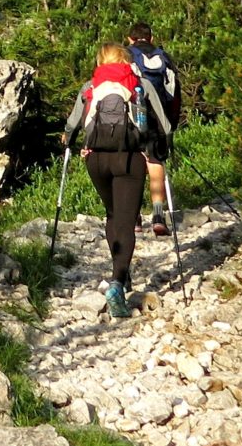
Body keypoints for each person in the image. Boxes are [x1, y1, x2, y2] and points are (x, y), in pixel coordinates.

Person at [60, 42, 159, 317]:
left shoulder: (89, 87)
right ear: (126, 60)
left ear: (100, 61)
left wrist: (68, 140)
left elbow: (72, 125)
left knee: (113, 214)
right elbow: (162, 123)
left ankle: (122, 275)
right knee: (127, 220)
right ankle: (117, 282)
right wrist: (159, 146)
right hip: (129, 158)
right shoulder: (140, 85)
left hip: (96, 160)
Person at [124, 23, 181, 238]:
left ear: (129, 39)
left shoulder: (126, 56)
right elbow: (174, 93)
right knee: (155, 163)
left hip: (133, 118)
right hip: (159, 119)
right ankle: (158, 215)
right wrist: (170, 123)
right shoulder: (164, 57)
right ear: (151, 37)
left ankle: (135, 217)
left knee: (134, 163)